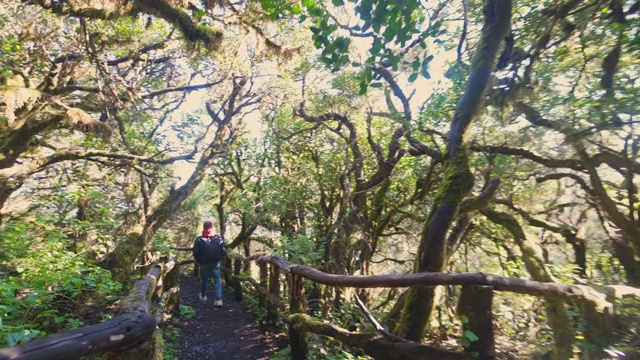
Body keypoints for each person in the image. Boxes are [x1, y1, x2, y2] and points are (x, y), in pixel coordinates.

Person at [192, 220, 226, 307]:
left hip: (204, 263)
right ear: (212, 227)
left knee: (204, 279)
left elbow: (196, 252)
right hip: (216, 262)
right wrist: (220, 258)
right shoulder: (218, 238)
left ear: (204, 227)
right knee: (217, 280)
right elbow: (223, 250)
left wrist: (199, 261)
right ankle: (218, 300)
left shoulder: (199, 239)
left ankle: (203, 296)